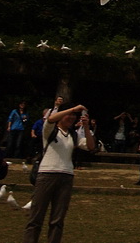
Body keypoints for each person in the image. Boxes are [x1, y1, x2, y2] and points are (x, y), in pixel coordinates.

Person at [22, 103, 95, 243]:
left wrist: (86, 127)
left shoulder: (73, 135)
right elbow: (50, 119)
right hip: (46, 175)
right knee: (36, 216)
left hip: (66, 176)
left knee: (58, 218)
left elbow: (90, 146)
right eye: (68, 114)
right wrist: (73, 109)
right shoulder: (50, 130)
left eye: (74, 116)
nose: (71, 117)